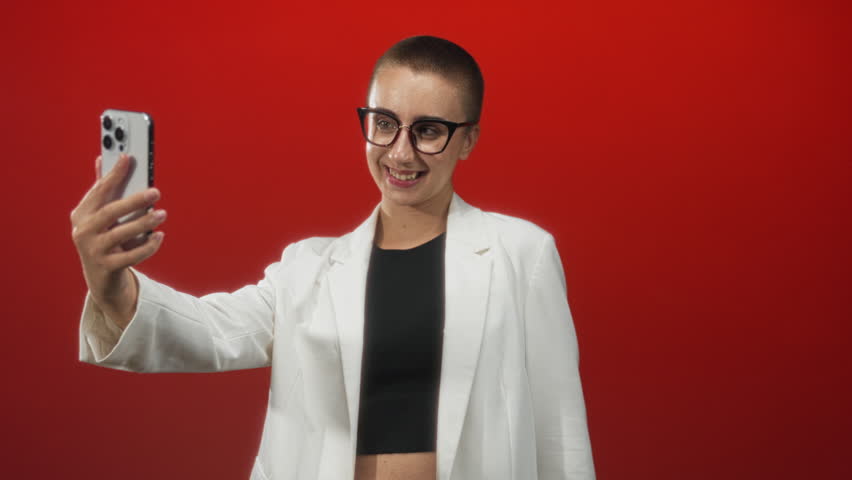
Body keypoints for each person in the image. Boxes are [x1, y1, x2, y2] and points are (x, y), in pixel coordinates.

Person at [71, 35, 596, 480]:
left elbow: (561, 430)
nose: (400, 152)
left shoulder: (520, 254)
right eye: (384, 122)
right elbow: (207, 334)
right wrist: (109, 282)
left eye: (429, 131)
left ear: (468, 140)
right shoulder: (307, 270)